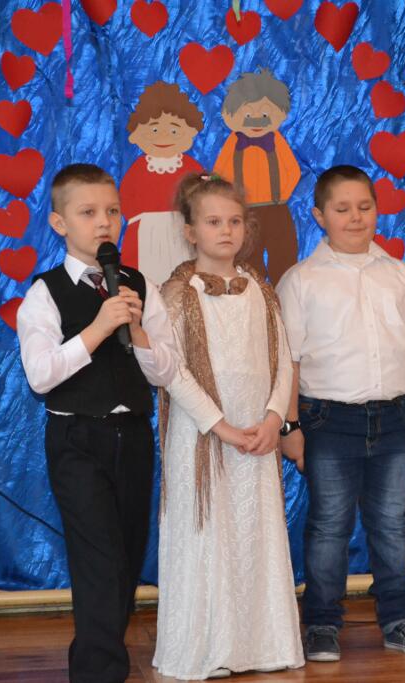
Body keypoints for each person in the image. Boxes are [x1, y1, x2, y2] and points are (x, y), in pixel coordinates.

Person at [276, 165, 405, 662]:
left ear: (377, 211)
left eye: (364, 207)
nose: (355, 218)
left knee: (391, 524)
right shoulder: (302, 281)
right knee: (329, 525)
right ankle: (321, 623)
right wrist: (290, 427)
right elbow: (288, 361)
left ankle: (399, 619)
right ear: (319, 216)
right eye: (342, 209)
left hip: (396, 421)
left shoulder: (401, 276)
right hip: (328, 422)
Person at [16, 163, 178, 683]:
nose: (104, 222)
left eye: (112, 211)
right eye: (88, 213)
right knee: (98, 558)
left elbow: (167, 371)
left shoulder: (138, 285)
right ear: (60, 223)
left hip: (133, 436)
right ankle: (98, 671)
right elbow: (41, 375)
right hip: (77, 438)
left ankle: (103, 656)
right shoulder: (44, 293)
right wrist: (98, 328)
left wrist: (139, 331)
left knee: (126, 555)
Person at [152, 173, 304, 680]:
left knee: (252, 535)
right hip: (202, 437)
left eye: (235, 221)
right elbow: (172, 373)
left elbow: (283, 362)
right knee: (206, 535)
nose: (226, 231)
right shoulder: (175, 296)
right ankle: (206, 647)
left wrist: (273, 419)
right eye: (214, 221)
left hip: (256, 437)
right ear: (190, 231)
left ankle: (260, 644)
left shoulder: (262, 291)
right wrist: (221, 427)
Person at [212, 69, 301, 285]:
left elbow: (293, 171)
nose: (256, 120)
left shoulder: (276, 141)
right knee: (248, 255)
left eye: (265, 114)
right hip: (245, 211)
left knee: (284, 252)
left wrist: (282, 195)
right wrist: (231, 200)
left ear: (281, 114)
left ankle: (284, 291)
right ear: (229, 116)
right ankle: (253, 292)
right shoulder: (233, 143)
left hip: (276, 207)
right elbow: (220, 173)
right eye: (247, 115)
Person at [119, 81, 206, 285]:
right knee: (147, 278)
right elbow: (126, 197)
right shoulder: (139, 167)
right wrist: (138, 220)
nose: (164, 136)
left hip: (181, 230)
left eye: (174, 131)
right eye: (154, 130)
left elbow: (202, 194)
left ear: (190, 132)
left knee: (185, 275)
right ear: (137, 134)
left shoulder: (190, 166)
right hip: (147, 232)